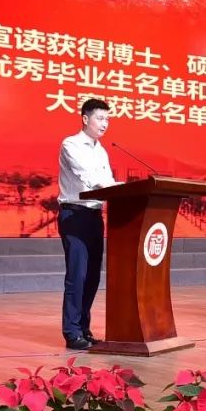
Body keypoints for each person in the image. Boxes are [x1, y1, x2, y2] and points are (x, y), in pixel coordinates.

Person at [58, 98, 118, 351]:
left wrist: (121, 189)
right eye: (100, 118)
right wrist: (115, 188)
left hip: (94, 216)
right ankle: (72, 332)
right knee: (77, 275)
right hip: (75, 216)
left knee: (92, 276)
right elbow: (90, 178)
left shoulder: (101, 150)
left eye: (107, 119)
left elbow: (108, 180)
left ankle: (83, 328)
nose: (105, 124)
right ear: (85, 118)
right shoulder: (71, 144)